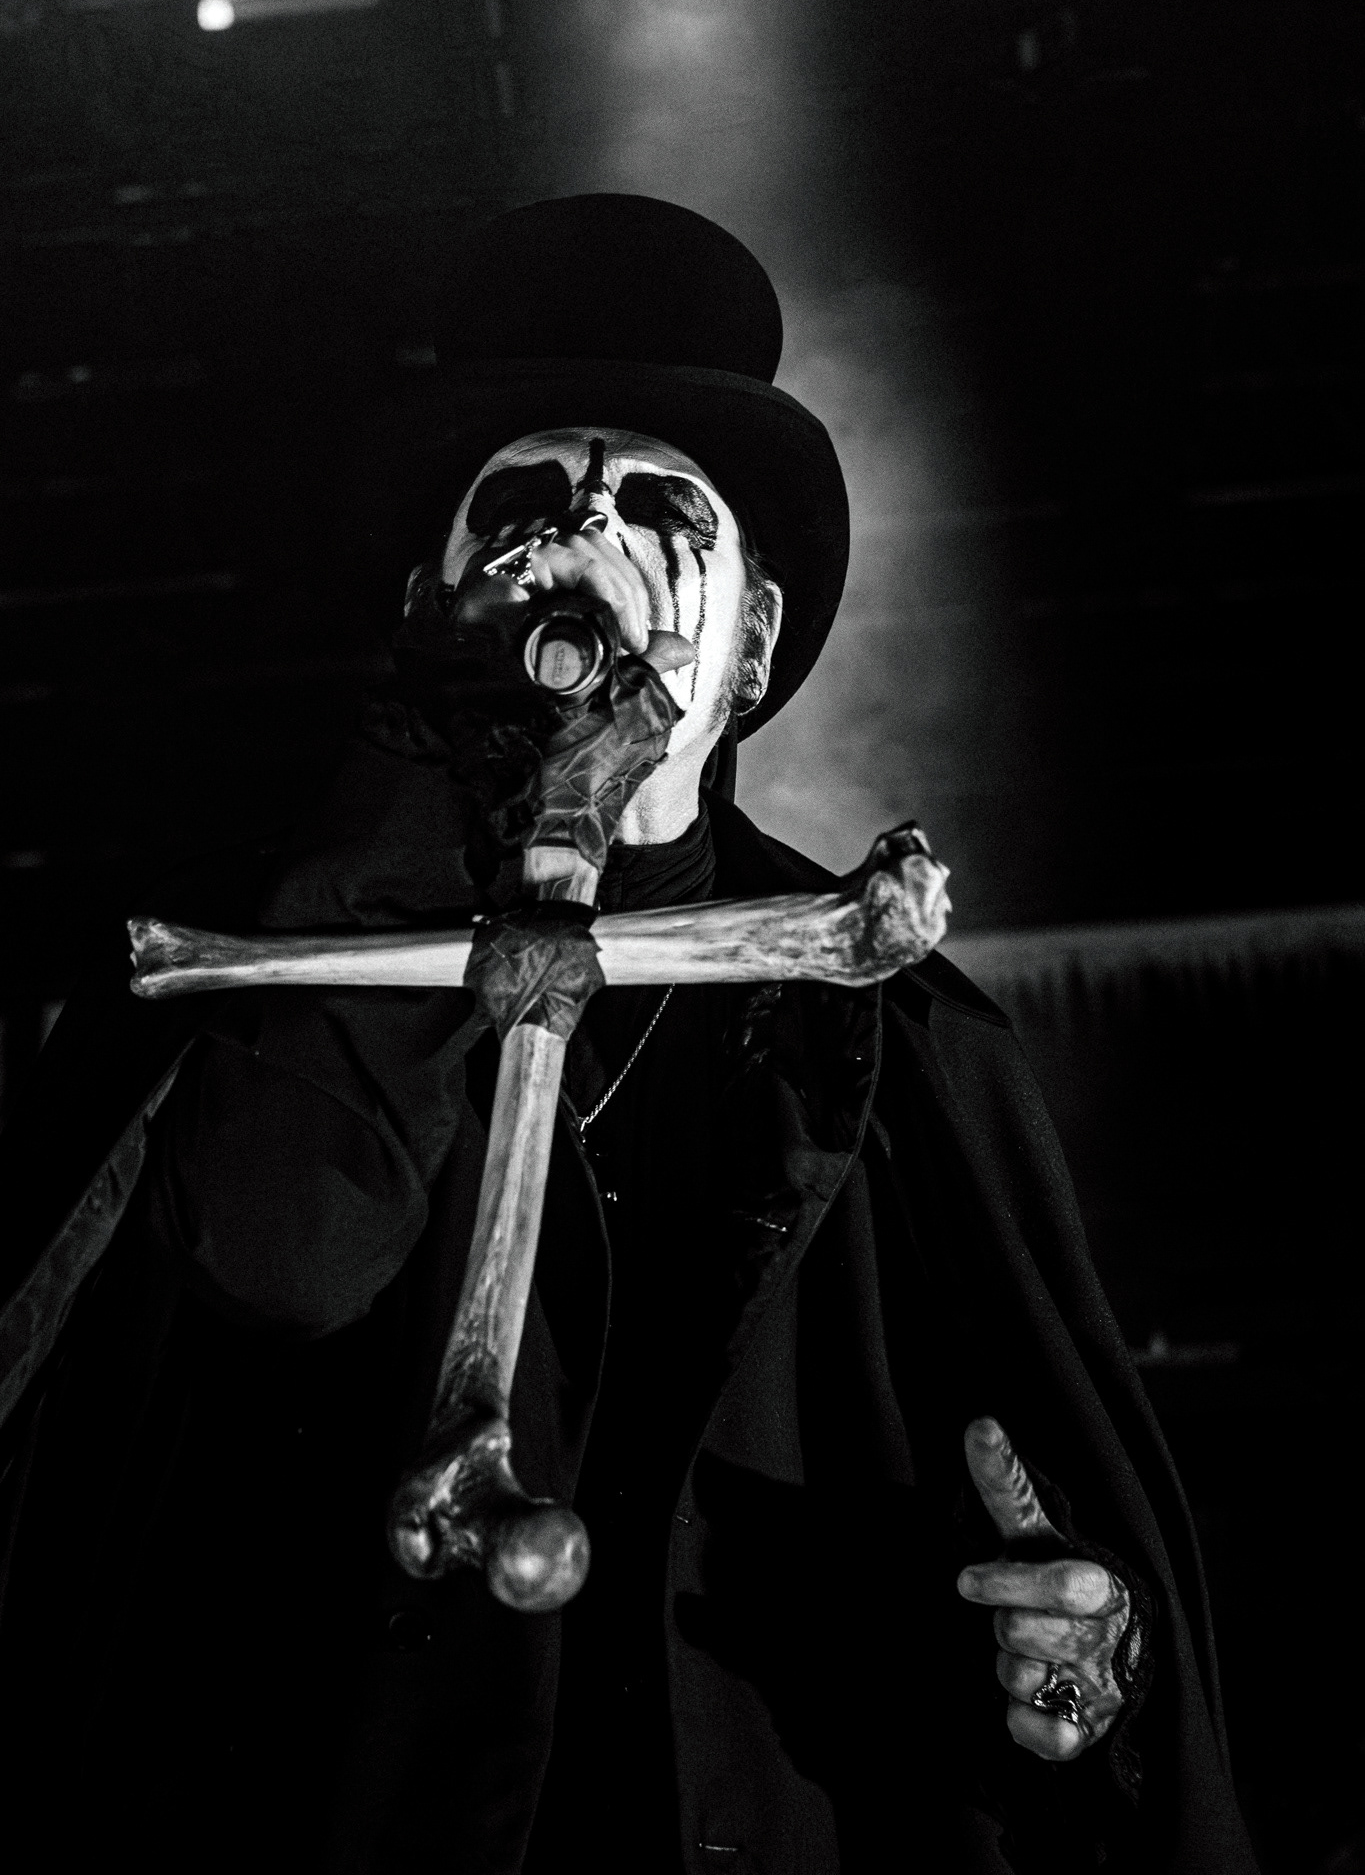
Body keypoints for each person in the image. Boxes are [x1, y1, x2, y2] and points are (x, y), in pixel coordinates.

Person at [0, 195, 1257, 1874]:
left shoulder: (890, 1032)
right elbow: (284, 1251)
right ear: (426, 602)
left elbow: (1063, 1546)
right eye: (518, 507)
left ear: (752, 641)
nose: (581, 531)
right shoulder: (258, 958)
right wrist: (428, 756)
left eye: (658, 511)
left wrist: (1086, 1656)